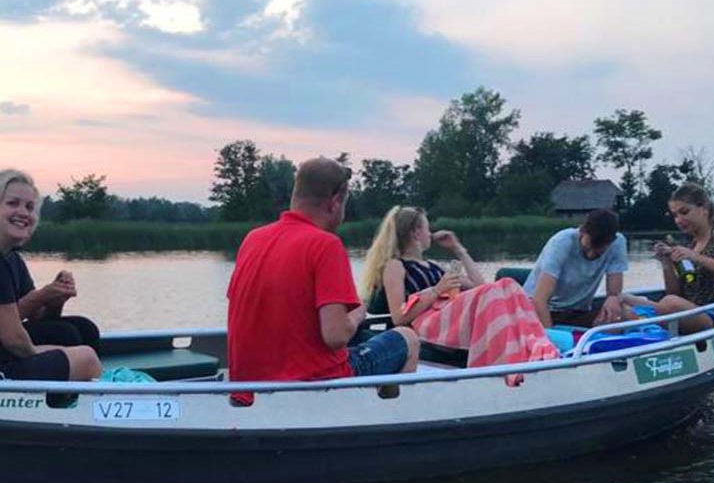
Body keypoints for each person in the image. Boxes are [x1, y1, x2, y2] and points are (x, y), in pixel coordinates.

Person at [227, 157, 419, 400]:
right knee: (407, 338)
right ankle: (385, 425)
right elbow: (336, 336)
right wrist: (359, 312)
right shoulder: (325, 245)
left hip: (249, 392)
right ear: (336, 200)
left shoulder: (252, 239)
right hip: (314, 387)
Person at [360, 206, 558, 380]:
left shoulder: (433, 266)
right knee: (498, 289)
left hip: (447, 319)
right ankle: (502, 360)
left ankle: (529, 346)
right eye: (427, 228)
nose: (431, 234)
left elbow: (482, 287)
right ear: (415, 233)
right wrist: (438, 290)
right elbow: (398, 317)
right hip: (424, 325)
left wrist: (459, 250)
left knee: (506, 285)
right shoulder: (395, 266)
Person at [0, 170, 101, 381]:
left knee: (83, 328)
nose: (23, 212)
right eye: (12, 203)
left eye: (29, 207)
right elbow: (12, 338)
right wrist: (44, 352)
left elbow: (39, 318)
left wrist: (56, 297)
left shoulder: (11, 258)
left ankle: (62, 398)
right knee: (87, 359)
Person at [622, 182, 714, 334]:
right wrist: (666, 263)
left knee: (669, 303)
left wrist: (697, 257)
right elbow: (676, 293)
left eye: (684, 212)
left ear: (703, 209)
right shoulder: (691, 245)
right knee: (622, 299)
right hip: (690, 311)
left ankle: (645, 322)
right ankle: (642, 330)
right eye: (675, 215)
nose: (678, 220)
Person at [523, 209, 628, 328]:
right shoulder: (561, 243)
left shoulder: (618, 243)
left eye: (599, 251)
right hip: (542, 310)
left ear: (611, 241)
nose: (590, 255)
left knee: (623, 317)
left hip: (578, 311)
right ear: (582, 231)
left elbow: (614, 291)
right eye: (588, 247)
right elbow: (539, 300)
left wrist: (613, 297)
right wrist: (550, 337)